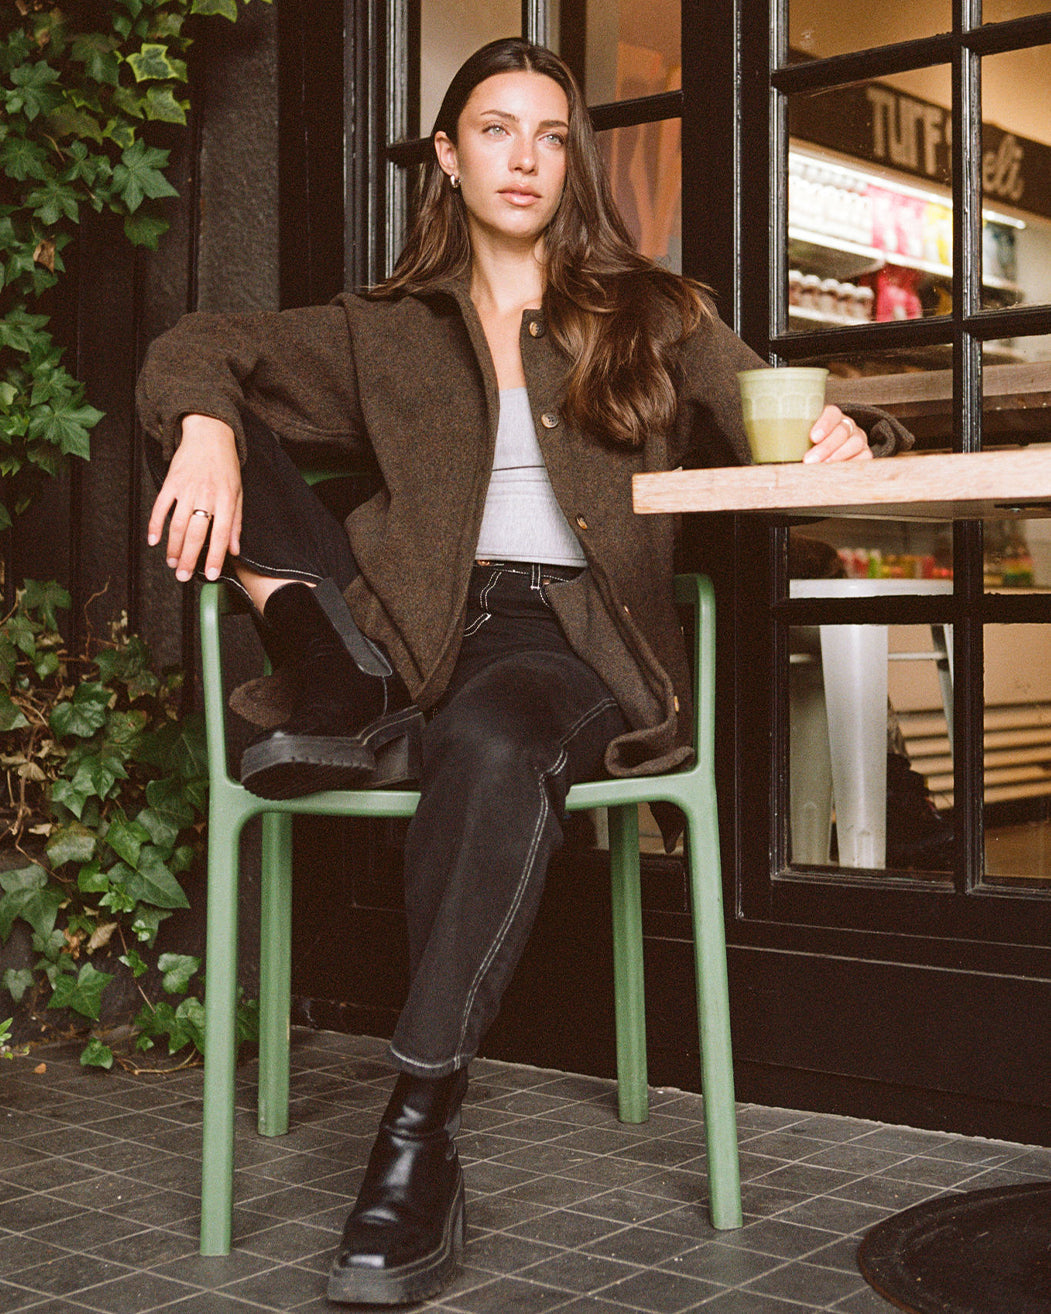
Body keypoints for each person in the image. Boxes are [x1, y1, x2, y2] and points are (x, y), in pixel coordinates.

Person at [137, 37, 911, 1307]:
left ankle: (414, 1136)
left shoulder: (657, 313)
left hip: (559, 644)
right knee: (208, 418)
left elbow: (793, 414)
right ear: (447, 156)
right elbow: (194, 342)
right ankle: (336, 670)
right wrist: (212, 428)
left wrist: (845, 430)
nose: (525, 159)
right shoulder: (378, 333)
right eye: (495, 130)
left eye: (549, 136)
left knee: (491, 743)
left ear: (570, 162)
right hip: (400, 629)